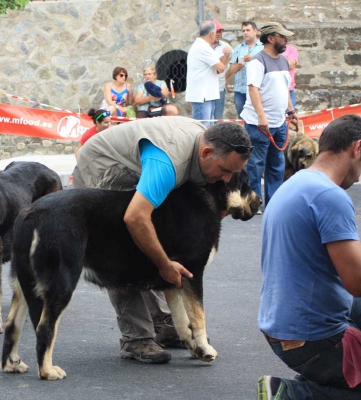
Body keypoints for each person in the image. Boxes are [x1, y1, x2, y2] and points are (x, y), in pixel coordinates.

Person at [75, 116, 252, 363]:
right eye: (224, 171)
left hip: (143, 169)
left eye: (232, 174)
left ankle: (167, 323)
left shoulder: (209, 142)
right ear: (207, 152)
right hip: (103, 166)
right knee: (126, 248)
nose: (226, 180)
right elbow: (136, 218)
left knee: (159, 237)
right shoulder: (167, 165)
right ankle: (136, 337)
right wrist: (164, 265)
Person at [257, 114, 361, 399]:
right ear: (357, 148)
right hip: (309, 336)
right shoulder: (330, 196)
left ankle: (321, 380)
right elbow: (357, 282)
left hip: (281, 321)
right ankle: (294, 394)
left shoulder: (298, 183)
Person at [241, 22, 298, 208]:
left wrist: (291, 111)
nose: (286, 40)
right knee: (256, 164)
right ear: (271, 38)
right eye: (282, 37)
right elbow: (253, 90)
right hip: (259, 124)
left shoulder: (282, 61)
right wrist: (261, 117)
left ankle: (274, 204)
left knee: (276, 164)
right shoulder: (258, 61)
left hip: (279, 122)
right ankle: (253, 202)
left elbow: (285, 89)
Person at [185, 21, 230, 127]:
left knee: (208, 128)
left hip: (206, 95)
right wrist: (225, 59)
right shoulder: (203, 48)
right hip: (202, 96)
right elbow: (221, 67)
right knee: (203, 129)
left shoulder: (203, 46)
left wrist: (226, 56)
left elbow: (219, 67)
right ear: (212, 33)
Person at [226, 21, 263, 118]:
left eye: (248, 30)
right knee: (241, 117)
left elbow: (266, 66)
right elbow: (231, 70)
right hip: (240, 89)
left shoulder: (263, 47)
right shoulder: (238, 48)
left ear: (255, 31)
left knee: (256, 117)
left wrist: (253, 59)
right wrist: (238, 66)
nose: (245, 33)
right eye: (243, 31)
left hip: (256, 89)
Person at [211, 20, 232, 120]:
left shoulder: (226, 46)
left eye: (220, 32)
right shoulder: (203, 46)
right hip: (205, 88)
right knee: (206, 117)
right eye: (217, 31)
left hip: (219, 87)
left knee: (218, 117)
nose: (219, 34)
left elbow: (233, 64)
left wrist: (226, 77)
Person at [282, 38, 298, 107]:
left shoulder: (291, 49)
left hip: (289, 88)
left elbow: (291, 65)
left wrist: (274, 63)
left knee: (291, 115)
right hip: (274, 90)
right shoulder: (271, 51)